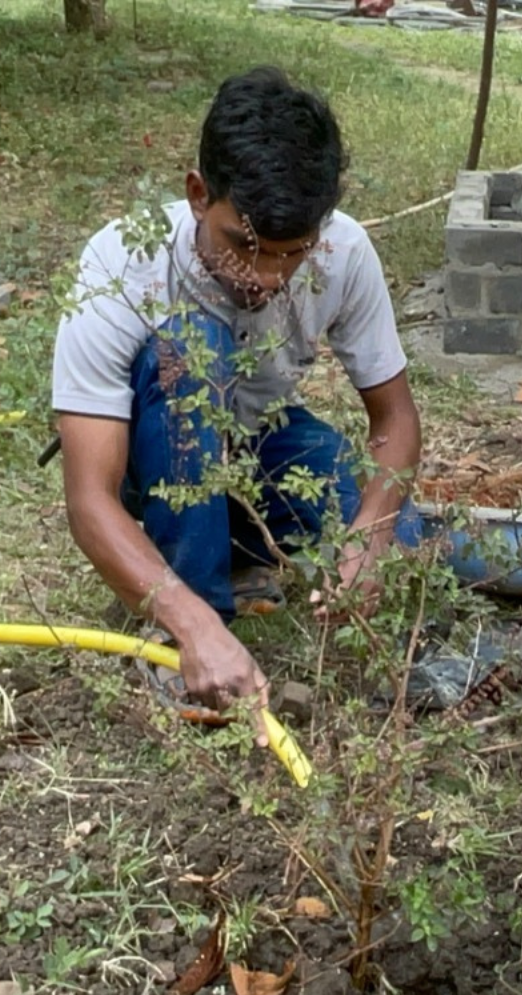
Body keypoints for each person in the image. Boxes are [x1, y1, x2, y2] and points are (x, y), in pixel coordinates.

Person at [51, 66, 422, 730]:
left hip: (254, 444)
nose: (266, 277)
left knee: (406, 537)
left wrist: (367, 542)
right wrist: (193, 624)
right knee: (190, 346)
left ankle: (241, 550)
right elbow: (89, 501)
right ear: (198, 194)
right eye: (241, 247)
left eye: (291, 254)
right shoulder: (122, 264)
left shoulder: (345, 251)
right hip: (150, 457)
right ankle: (189, 619)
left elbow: (394, 418)